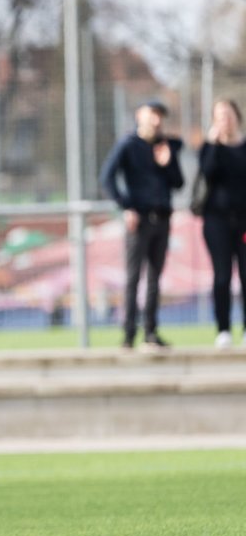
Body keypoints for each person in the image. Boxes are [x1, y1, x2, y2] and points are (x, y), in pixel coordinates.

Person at [99, 99, 185, 350]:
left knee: (155, 279)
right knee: (133, 277)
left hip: (163, 217)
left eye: (160, 115)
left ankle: (151, 331)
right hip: (139, 219)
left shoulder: (165, 147)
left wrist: (167, 163)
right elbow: (107, 177)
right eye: (152, 114)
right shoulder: (128, 144)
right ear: (140, 116)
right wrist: (126, 206)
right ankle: (128, 334)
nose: (156, 120)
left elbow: (178, 183)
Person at [197, 98, 246, 349]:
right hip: (217, 221)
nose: (225, 120)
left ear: (237, 116)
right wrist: (213, 143)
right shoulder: (209, 147)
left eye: (228, 114)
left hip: (245, 223)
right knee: (222, 275)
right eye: (219, 116)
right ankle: (223, 329)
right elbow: (207, 172)